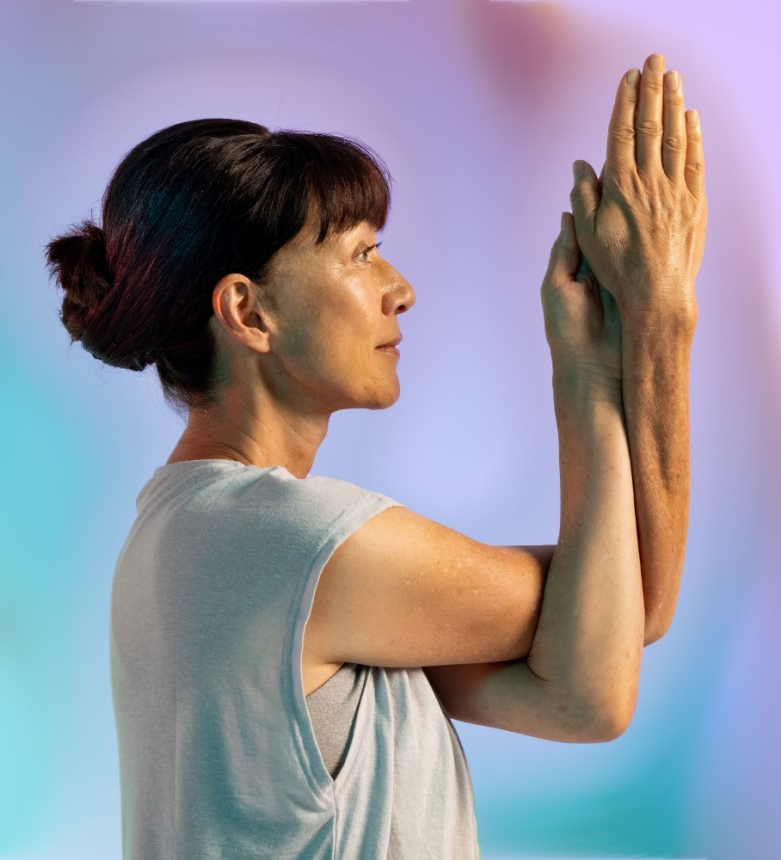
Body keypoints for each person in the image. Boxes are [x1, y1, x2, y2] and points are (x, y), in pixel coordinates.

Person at [45, 51, 705, 860]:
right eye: (361, 254)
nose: (400, 288)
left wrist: (606, 360)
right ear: (248, 312)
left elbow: (585, 675)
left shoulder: (197, 539)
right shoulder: (287, 542)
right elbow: (613, 644)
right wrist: (658, 318)